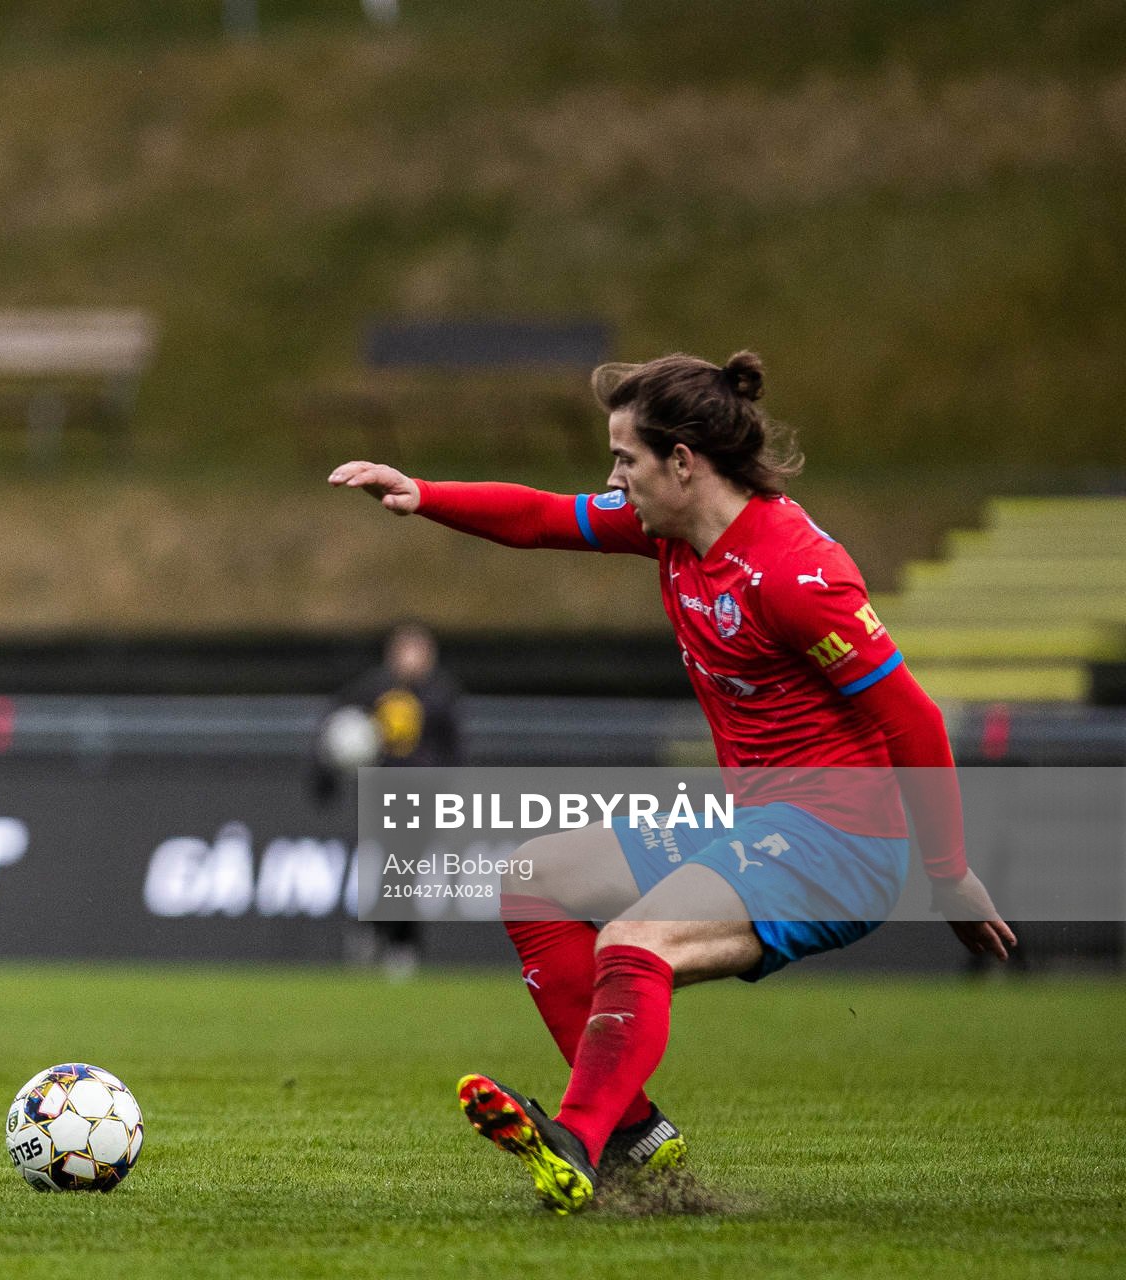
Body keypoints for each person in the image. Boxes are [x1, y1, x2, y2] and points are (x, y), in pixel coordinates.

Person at [330, 350, 1015, 1214]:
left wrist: (948, 874)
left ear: (682, 463)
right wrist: (422, 493)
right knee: (534, 881)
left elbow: (911, 718)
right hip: (760, 823)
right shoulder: (672, 529)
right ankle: (637, 1136)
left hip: (844, 846)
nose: (613, 479)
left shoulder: (796, 576)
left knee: (635, 943)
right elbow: (541, 517)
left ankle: (576, 1142)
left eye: (625, 460)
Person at [316, 622, 463, 976]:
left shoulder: (440, 696)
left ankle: (394, 941)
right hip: (382, 793)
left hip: (423, 797)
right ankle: (379, 935)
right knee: (386, 865)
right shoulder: (371, 690)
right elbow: (338, 730)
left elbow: (454, 751)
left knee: (407, 867)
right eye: (405, 650)